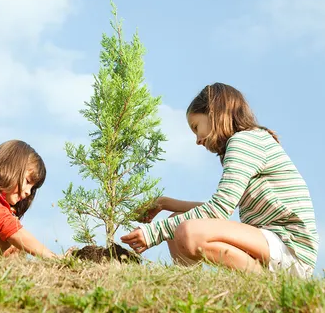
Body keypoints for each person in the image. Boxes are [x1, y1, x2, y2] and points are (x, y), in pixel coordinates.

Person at [121, 83, 319, 278]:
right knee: (178, 221)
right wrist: (164, 203)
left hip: (289, 248)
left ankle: (270, 284)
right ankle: (188, 288)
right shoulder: (251, 141)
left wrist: (153, 231)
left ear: (214, 112)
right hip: (272, 245)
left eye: (196, 127)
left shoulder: (244, 141)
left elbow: (218, 211)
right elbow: (217, 211)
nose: (197, 139)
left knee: (188, 231)